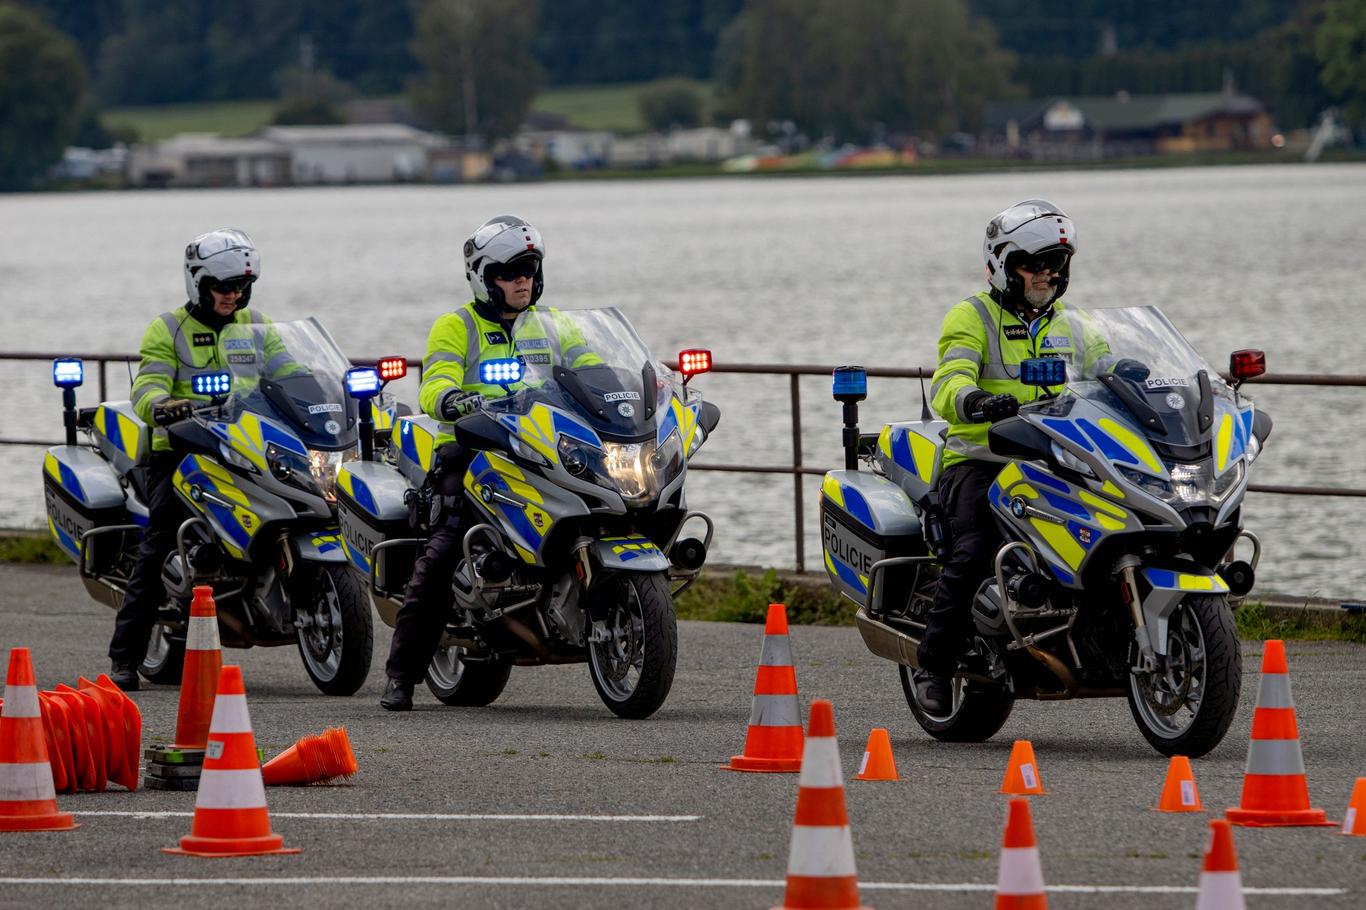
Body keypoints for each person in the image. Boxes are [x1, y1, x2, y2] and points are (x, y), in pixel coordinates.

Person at [916, 199, 1137, 715]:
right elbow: (948, 380)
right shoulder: (972, 316)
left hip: (1058, 459)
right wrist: (974, 400)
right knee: (974, 549)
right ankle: (935, 664)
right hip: (983, 459)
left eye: (1055, 263)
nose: (1046, 273)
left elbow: (1105, 366)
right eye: (1033, 263)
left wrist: (1137, 378)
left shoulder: (1074, 325)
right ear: (1002, 264)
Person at [381, 215, 598, 711]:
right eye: (509, 272)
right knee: (443, 549)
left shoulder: (555, 324)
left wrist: (632, 388)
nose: (522, 280)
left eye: (529, 269)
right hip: (474, 449)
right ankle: (402, 675)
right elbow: (434, 382)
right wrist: (454, 399)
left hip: (542, 447)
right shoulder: (456, 326)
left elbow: (592, 368)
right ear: (483, 277)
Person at [111, 229, 276, 691]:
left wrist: (327, 393)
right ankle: (125, 658)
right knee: (162, 536)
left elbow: (292, 372)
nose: (232, 295)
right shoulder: (168, 329)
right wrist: (162, 406)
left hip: (244, 447)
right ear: (199, 284)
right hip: (180, 451)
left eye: (240, 286)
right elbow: (147, 386)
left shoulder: (258, 325)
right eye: (223, 286)